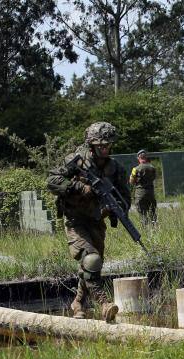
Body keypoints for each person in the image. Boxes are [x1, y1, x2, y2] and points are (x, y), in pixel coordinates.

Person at [47, 121, 130, 322]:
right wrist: (80, 188)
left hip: (96, 220)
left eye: (108, 144)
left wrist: (115, 208)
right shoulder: (76, 161)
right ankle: (104, 304)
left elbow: (125, 199)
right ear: (91, 144)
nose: (105, 148)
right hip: (75, 219)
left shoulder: (116, 169)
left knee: (92, 266)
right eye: (101, 145)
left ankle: (78, 304)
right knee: (91, 259)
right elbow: (52, 181)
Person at [130, 149, 157, 226]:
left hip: (140, 194)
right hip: (151, 193)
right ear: (146, 157)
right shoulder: (152, 168)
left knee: (143, 214)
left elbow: (131, 181)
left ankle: (145, 229)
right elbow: (154, 178)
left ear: (138, 158)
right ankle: (154, 228)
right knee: (152, 214)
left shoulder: (135, 169)